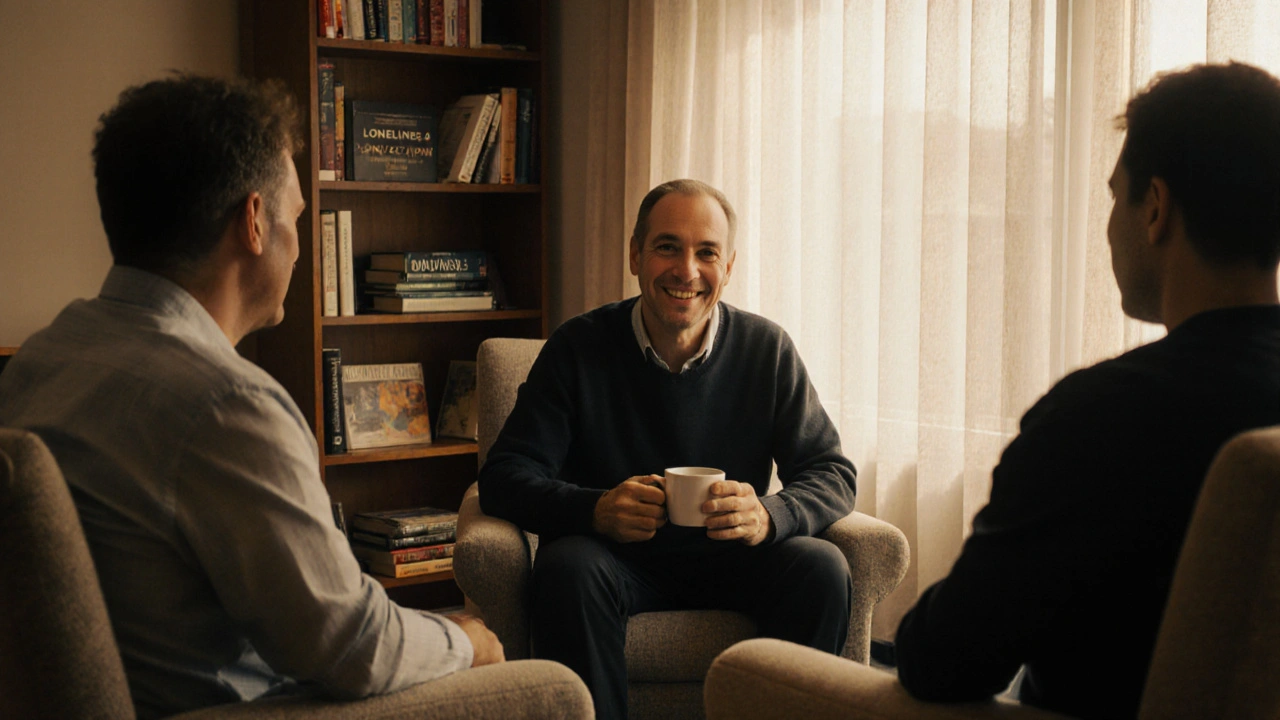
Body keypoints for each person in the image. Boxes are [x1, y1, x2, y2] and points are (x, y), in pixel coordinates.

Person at [0, 74, 504, 720]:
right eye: (297, 216)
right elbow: (353, 647)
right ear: (255, 222)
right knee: (550, 687)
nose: (301, 245)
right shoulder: (226, 405)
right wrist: (464, 640)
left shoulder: (43, 360)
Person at [894, 61, 1280, 720]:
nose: (1108, 226)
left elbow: (942, 661)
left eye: (1114, 195)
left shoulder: (1102, 418)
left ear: (1154, 208)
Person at [478, 179, 858, 720]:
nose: (686, 271)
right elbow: (504, 476)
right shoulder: (577, 348)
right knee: (567, 568)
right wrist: (596, 508)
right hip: (616, 560)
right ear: (635, 254)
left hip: (735, 558)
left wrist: (771, 515)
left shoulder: (765, 349)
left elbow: (832, 472)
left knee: (822, 567)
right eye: (666, 247)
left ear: (728, 267)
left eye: (706, 253)